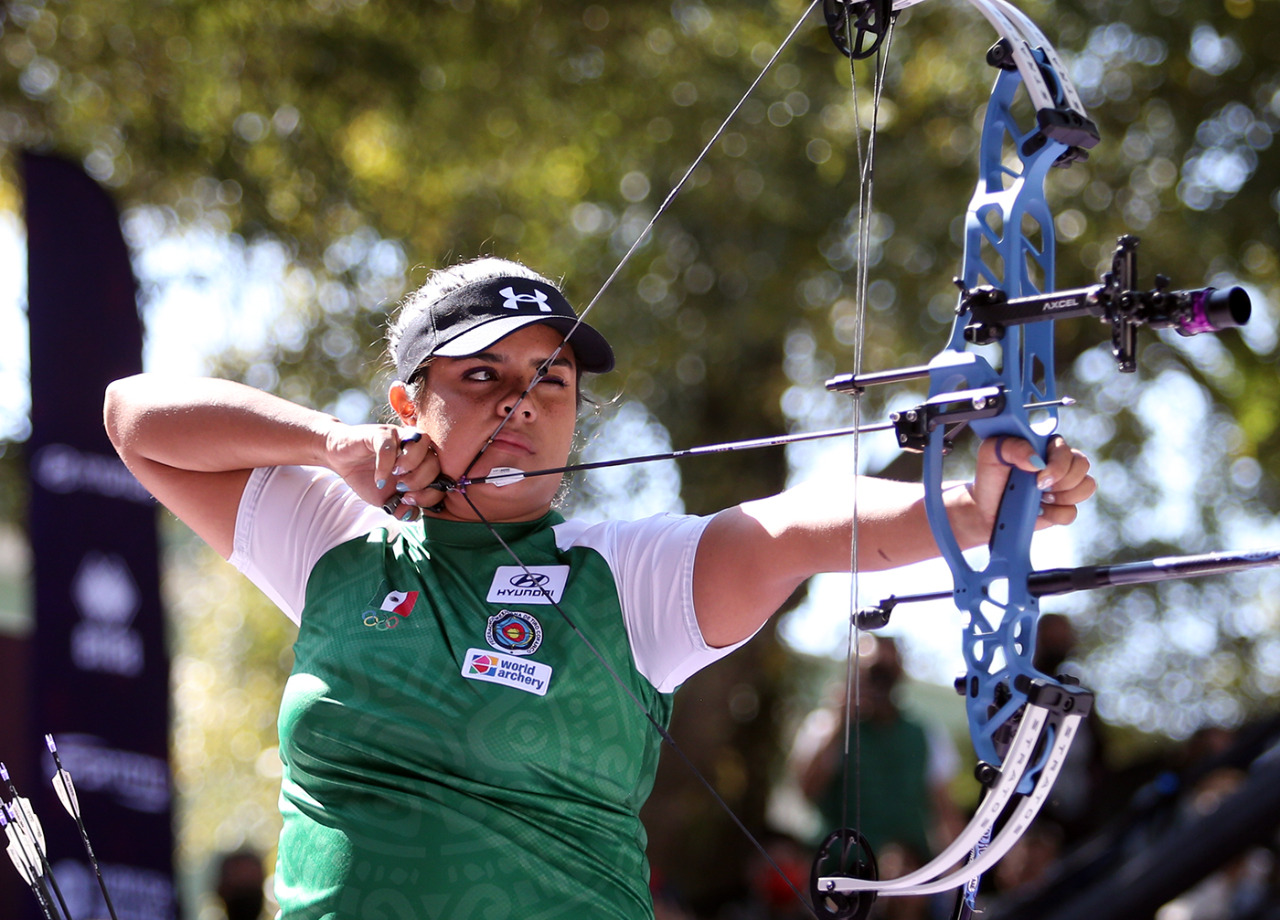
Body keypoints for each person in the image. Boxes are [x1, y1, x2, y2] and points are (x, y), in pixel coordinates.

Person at [104, 257, 1095, 919]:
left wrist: (973, 511)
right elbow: (132, 416)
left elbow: (792, 530)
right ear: (408, 402)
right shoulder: (335, 541)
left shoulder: (619, 574)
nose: (522, 403)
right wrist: (327, 443)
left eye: (551, 381)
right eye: (484, 375)